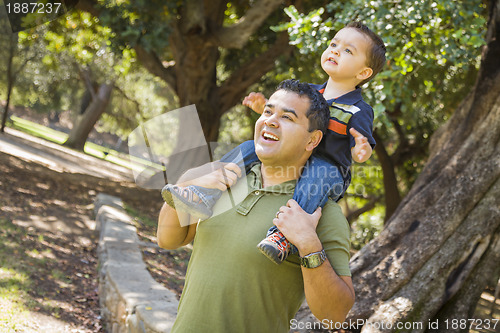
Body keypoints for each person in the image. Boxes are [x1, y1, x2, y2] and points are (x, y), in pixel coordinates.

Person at [163, 21, 386, 264]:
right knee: (248, 148)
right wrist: (264, 109)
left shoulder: (358, 109)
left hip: (330, 168)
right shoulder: (310, 94)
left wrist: (361, 151)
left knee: (318, 174)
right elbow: (285, 116)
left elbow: (361, 144)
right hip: (295, 154)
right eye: (334, 44)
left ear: (363, 73)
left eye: (347, 50)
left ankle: (282, 236)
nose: (334, 50)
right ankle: (205, 192)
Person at [157, 79, 354, 332]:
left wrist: (308, 244)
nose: (270, 120)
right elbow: (168, 239)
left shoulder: (319, 214)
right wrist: (186, 186)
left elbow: (335, 315)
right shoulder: (225, 178)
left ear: (312, 140)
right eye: (268, 111)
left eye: (287, 118)